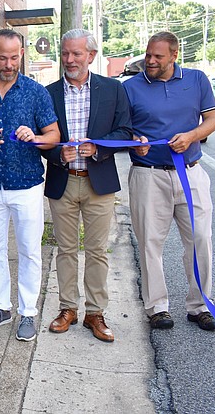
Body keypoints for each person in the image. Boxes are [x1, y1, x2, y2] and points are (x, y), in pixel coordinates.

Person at [0, 28, 59, 342]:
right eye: (3, 57)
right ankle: (1, 307)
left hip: (27, 185)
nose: (9, 63)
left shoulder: (35, 92)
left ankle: (28, 312)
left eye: (14, 57)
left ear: (21, 55)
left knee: (30, 251)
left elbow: (54, 136)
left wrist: (37, 137)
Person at [124, 31, 215, 332]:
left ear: (174, 55)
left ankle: (200, 305)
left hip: (190, 172)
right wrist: (134, 141)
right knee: (150, 243)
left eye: (157, 57)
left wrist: (192, 136)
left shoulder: (197, 80)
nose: (150, 61)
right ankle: (157, 308)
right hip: (148, 174)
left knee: (201, 239)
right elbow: (121, 129)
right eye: (148, 55)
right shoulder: (130, 87)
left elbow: (212, 120)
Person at [41, 29, 132, 342]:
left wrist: (100, 147)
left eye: (76, 54)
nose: (69, 60)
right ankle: (68, 308)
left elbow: (125, 131)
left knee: (96, 251)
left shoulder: (113, 89)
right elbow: (41, 139)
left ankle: (95, 312)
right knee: (65, 250)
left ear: (91, 56)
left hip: (99, 182)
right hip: (63, 180)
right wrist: (57, 152)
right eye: (65, 53)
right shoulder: (49, 93)